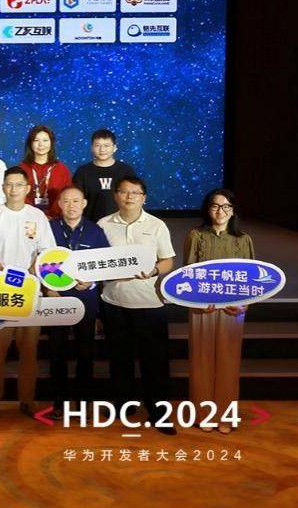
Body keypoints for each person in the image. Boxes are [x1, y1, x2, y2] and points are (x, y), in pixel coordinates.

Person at [0, 167, 57, 419]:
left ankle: (27, 400)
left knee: (29, 353)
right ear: (3, 187)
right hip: (1, 292)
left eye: (19, 185)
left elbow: (46, 252)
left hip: (31, 293)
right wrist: (4, 273)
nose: (13, 189)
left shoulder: (37, 216)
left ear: (27, 188)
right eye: (9, 184)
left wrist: (32, 273)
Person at [98, 175, 176, 434]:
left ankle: (158, 412)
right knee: (119, 359)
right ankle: (124, 406)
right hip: (114, 302)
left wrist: (154, 271)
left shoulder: (156, 225)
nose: (129, 196)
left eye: (135, 192)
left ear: (144, 197)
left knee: (155, 362)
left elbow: (167, 260)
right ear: (115, 195)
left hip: (149, 303)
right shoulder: (103, 225)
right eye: (124, 191)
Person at [185, 189, 254, 434]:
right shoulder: (196, 235)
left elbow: (252, 279)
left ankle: (225, 416)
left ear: (233, 211)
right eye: (215, 206)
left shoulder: (243, 239)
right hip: (202, 308)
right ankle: (203, 414)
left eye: (226, 207)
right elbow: (187, 273)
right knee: (201, 362)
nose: (220, 211)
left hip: (233, 310)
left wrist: (245, 304)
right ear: (208, 209)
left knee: (228, 363)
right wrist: (196, 302)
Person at [47, 185, 110, 416]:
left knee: (86, 352)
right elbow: (39, 261)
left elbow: (105, 262)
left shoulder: (95, 231)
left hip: (86, 299)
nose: (71, 205)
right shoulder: (49, 229)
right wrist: (47, 287)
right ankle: (59, 403)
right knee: (57, 352)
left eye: (76, 201)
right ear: (59, 204)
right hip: (57, 298)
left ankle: (84, 403)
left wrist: (92, 281)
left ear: (84, 204)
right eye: (66, 201)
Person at [72, 129, 136, 223]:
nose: (102, 149)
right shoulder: (82, 172)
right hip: (91, 225)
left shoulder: (126, 171)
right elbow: (75, 200)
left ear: (115, 147)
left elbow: (134, 199)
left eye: (106, 145)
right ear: (92, 148)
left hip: (121, 224)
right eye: (97, 145)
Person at [19, 125, 73, 219]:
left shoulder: (61, 169)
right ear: (30, 143)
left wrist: (51, 216)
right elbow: (19, 195)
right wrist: (35, 215)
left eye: (45, 140)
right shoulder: (22, 168)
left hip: (56, 219)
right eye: (36, 140)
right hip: (27, 218)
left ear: (51, 143)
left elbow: (66, 195)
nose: (41, 144)